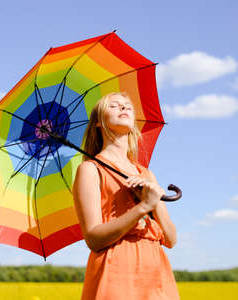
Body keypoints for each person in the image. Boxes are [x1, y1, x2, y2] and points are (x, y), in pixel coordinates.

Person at [73, 92, 180, 299]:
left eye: (127, 105)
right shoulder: (90, 169)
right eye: (114, 105)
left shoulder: (146, 174)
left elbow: (171, 239)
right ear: (98, 123)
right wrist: (142, 207)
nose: (124, 108)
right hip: (116, 269)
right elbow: (94, 239)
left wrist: (154, 202)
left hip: (156, 271)